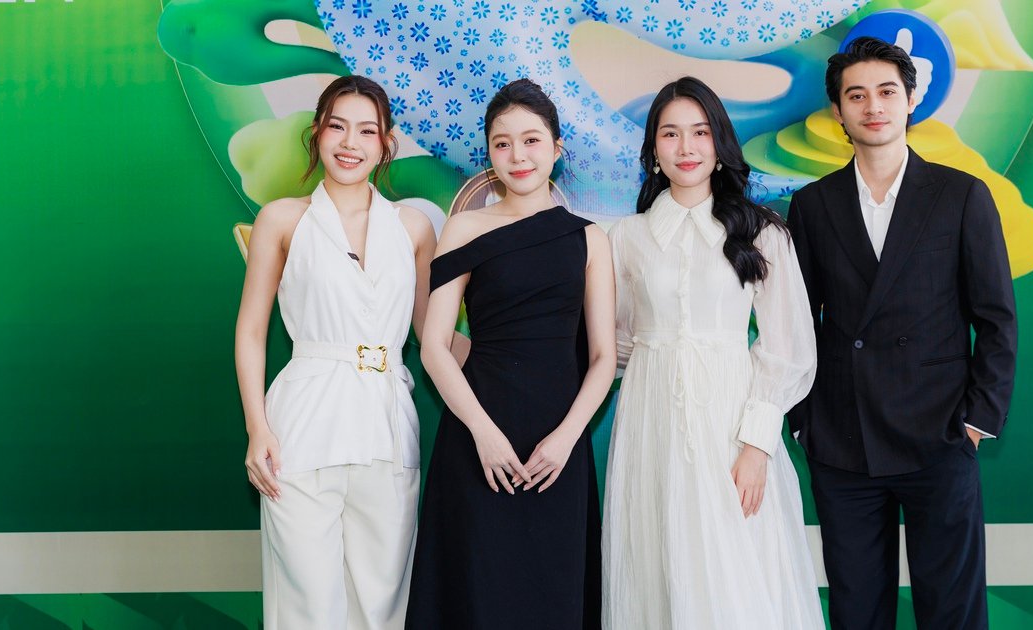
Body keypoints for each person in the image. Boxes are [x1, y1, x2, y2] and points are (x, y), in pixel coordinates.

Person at [786, 36, 1018, 629]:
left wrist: (977, 420)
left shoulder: (962, 194)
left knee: (952, 611)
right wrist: (804, 420)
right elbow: (796, 321)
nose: (874, 106)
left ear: (911, 100)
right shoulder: (812, 205)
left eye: (887, 91)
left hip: (939, 433)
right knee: (857, 609)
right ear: (838, 111)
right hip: (843, 438)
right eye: (856, 95)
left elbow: (995, 317)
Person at [603, 76, 825, 629]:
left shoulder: (762, 233)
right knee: (654, 566)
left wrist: (756, 445)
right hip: (649, 422)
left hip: (731, 424)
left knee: (736, 575)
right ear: (653, 150)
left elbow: (789, 348)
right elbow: (618, 340)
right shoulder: (625, 237)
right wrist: (660, 358)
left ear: (720, 144)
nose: (686, 147)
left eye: (700, 132)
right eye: (670, 133)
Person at [234, 75, 449, 629]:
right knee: (307, 606)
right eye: (337, 126)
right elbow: (251, 331)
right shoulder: (282, 219)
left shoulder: (414, 227)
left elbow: (434, 339)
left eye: (366, 130)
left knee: (382, 604)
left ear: (386, 143)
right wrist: (258, 429)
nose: (350, 143)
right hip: (301, 429)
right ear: (317, 133)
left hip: (386, 427)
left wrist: (522, 372)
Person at [405, 78, 615, 629]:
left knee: (552, 594)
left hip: (558, 447)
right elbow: (434, 346)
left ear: (556, 148)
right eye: (502, 143)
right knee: (480, 591)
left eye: (531, 140)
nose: (517, 155)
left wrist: (567, 438)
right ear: (489, 154)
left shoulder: (590, 238)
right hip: (478, 436)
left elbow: (603, 357)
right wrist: (484, 433)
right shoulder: (464, 227)